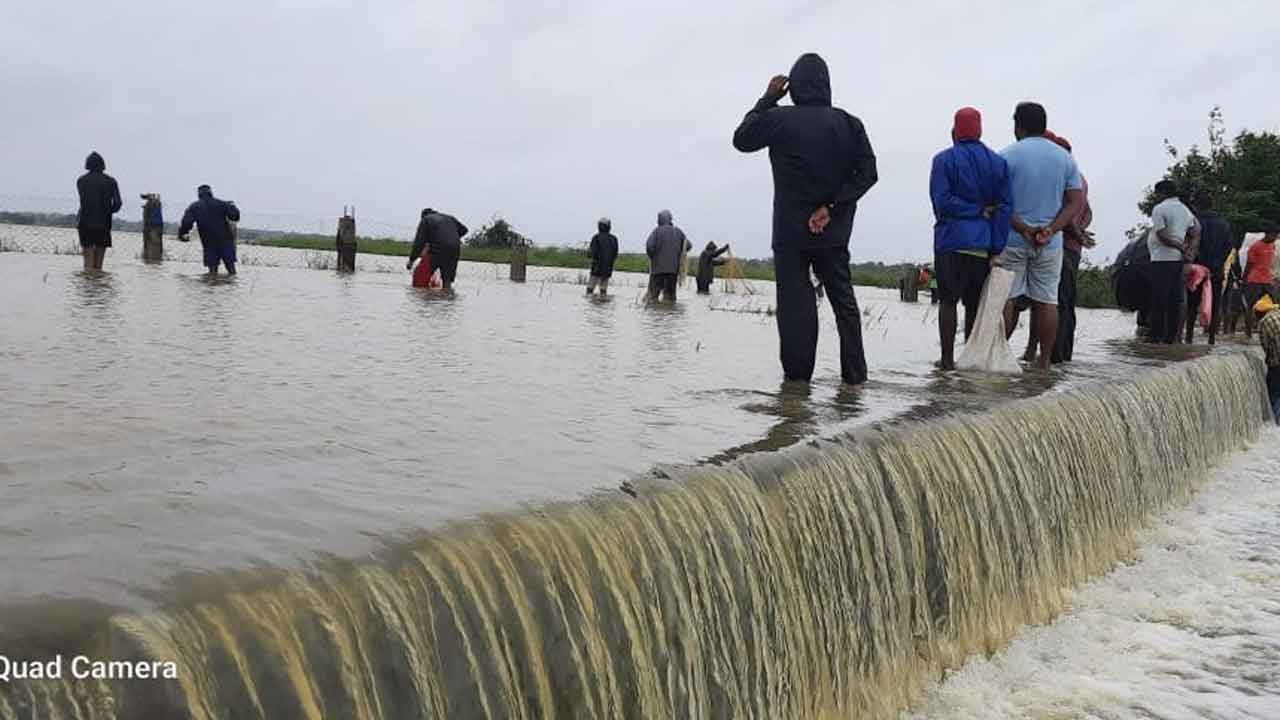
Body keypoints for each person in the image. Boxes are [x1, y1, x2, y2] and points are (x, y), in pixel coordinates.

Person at [732, 52, 878, 385]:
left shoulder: (780, 118)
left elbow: (742, 139)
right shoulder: (850, 124)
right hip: (834, 231)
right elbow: (868, 173)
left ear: (794, 86)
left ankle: (796, 389)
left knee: (796, 307)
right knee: (844, 303)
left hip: (790, 233)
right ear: (826, 84)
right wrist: (832, 206)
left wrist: (767, 99)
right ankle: (854, 382)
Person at [998, 103, 1084, 369]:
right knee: (1047, 300)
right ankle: (1044, 363)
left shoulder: (1006, 156)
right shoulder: (1065, 159)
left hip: (1014, 238)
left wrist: (1025, 228)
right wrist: (1052, 229)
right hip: (1050, 243)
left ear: (1018, 125)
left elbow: (1000, 203)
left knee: (1009, 298)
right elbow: (1074, 202)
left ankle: (999, 357)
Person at [929, 107, 1012, 370]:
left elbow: (941, 203)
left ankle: (946, 362)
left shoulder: (943, 160)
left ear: (955, 133)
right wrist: (996, 247)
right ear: (980, 131)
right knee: (974, 306)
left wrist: (971, 209)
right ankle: (970, 361)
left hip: (950, 243)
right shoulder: (998, 164)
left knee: (948, 301)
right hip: (982, 246)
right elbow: (1005, 208)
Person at [1024, 132, 1093, 363]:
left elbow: (1065, 211)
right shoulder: (1081, 178)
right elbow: (1087, 212)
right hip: (1071, 248)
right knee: (1062, 302)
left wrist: (1074, 231)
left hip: (1059, 245)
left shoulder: (1063, 175)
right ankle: (1060, 357)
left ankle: (1050, 356)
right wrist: (1081, 232)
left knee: (1050, 301)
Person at [1145, 181, 1199, 343]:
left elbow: (1161, 235)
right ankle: (1170, 338)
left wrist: (1181, 247)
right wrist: (1189, 250)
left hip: (1161, 259)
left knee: (1159, 298)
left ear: (1162, 193)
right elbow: (1194, 231)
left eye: (1157, 193)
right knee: (1174, 299)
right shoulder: (1185, 210)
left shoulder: (1159, 209)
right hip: (1176, 261)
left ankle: (1155, 336)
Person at [1194, 192, 1234, 342]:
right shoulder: (1223, 223)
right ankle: (1211, 339)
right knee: (1215, 303)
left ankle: (1188, 337)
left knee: (1192, 303)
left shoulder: (1194, 221)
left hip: (1197, 268)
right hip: (1216, 269)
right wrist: (1220, 260)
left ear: (1197, 205)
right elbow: (1229, 246)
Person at [178, 185, 241, 275]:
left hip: (208, 242)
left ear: (199, 194)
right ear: (211, 193)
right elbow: (235, 217)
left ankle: (211, 286)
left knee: (212, 272)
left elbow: (186, 223)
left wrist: (182, 234)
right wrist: (233, 207)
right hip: (225, 240)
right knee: (231, 270)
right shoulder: (222, 203)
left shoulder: (194, 206)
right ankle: (231, 288)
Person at [75, 151, 122, 271]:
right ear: (102, 165)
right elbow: (118, 203)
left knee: (88, 263)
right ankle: (98, 288)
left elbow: (84, 200)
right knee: (99, 265)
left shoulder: (81, 181)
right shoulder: (111, 181)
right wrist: (108, 211)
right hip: (104, 224)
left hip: (85, 223)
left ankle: (88, 288)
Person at [407, 208, 468, 291]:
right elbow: (464, 230)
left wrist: (411, 261)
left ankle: (423, 298)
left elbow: (419, 242)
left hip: (437, 249)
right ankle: (447, 298)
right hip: (454, 249)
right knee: (447, 279)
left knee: (420, 279)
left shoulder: (426, 219)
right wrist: (451, 237)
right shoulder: (450, 218)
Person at [645, 209, 690, 302]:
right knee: (670, 297)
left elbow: (649, 246)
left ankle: (657, 314)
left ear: (660, 220)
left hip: (657, 271)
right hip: (673, 271)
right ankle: (670, 314)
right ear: (670, 219)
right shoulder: (679, 232)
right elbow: (688, 246)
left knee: (653, 297)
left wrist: (653, 257)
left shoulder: (656, 232)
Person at [1243, 225, 1278, 323]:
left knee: (1274, 305)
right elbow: (1249, 264)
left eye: (1276, 236)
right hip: (1255, 280)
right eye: (1273, 235)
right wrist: (1244, 279)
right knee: (1251, 306)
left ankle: (1269, 326)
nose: (1275, 238)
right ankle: (1248, 333)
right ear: (1267, 234)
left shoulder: (1272, 245)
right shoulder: (1255, 247)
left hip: (1267, 280)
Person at [587, 217, 619, 296]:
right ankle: (603, 303)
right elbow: (615, 253)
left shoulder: (596, 237)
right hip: (608, 267)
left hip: (596, 267)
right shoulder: (614, 239)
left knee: (590, 289)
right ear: (609, 227)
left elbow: (592, 253)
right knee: (603, 289)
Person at [1260, 306, 1280, 422]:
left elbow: (1265, 347)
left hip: (1277, 366)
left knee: (1275, 394)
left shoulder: (1264, 322)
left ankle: (1277, 422)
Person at [141, 193, 164, 262]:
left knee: (153, 249)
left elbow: (146, 218)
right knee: (154, 250)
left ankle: (151, 259)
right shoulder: (156, 204)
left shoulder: (152, 205)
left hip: (152, 229)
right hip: (155, 228)